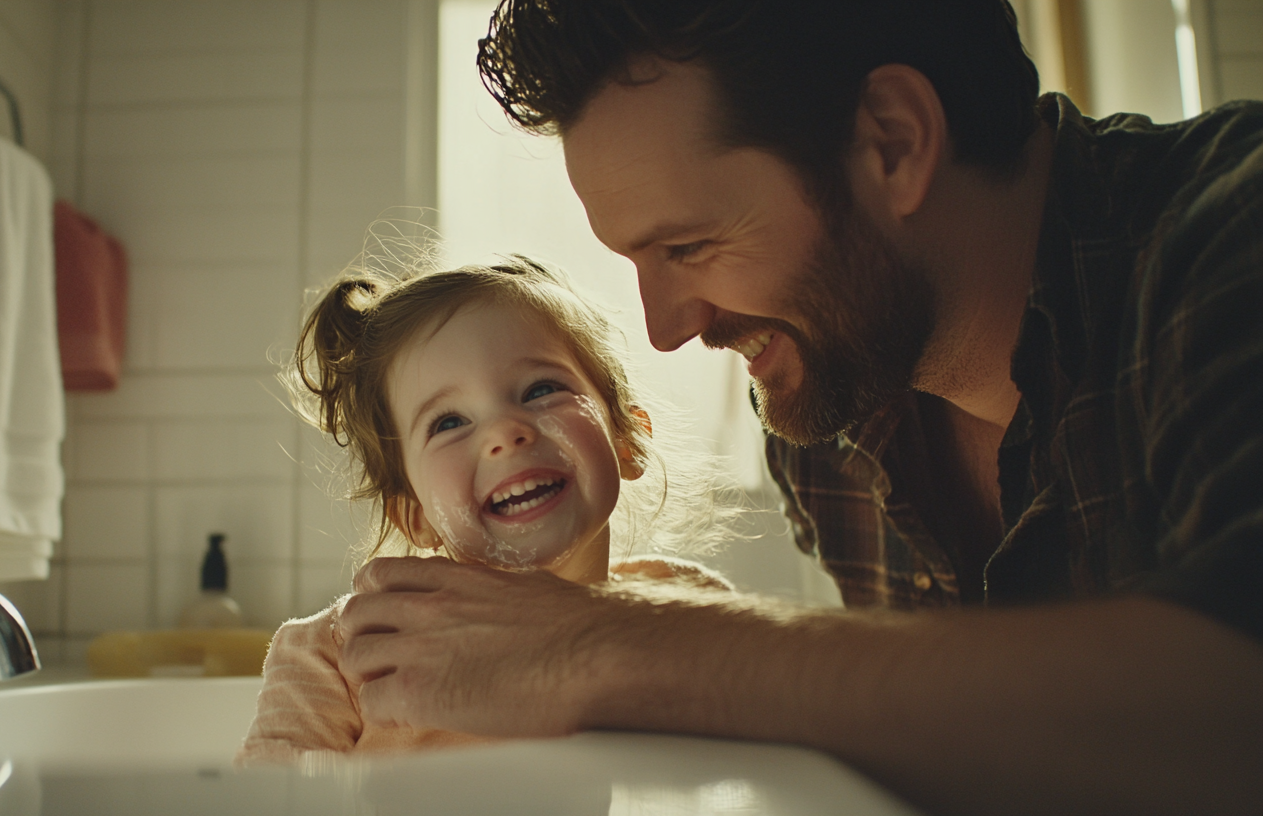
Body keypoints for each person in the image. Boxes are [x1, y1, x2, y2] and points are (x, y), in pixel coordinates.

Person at [332, 2, 1263, 814]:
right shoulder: (830, 410)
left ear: (891, 142)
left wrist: (601, 650)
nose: (664, 330)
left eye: (689, 244)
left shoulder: (1229, 236)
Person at [237, 257, 737, 762]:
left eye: (540, 390)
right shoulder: (340, 653)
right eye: (448, 422)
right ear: (415, 515)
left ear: (627, 439)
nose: (504, 433)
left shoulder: (693, 611)